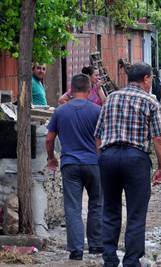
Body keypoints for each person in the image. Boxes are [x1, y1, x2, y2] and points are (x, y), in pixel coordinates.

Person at [95, 63, 161, 267]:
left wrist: (102, 158)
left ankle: (109, 259)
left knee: (110, 209)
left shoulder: (111, 98)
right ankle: (131, 261)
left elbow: (98, 135)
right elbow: (159, 138)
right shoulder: (150, 101)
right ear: (146, 78)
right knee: (136, 212)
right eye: (151, 79)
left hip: (108, 157)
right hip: (135, 159)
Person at [45, 74, 103, 260]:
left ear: (71, 89)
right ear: (89, 90)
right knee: (96, 204)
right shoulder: (96, 110)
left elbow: (49, 138)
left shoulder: (60, 111)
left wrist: (51, 157)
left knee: (73, 207)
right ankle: (96, 245)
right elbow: (100, 140)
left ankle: (76, 250)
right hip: (93, 163)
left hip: (70, 165)